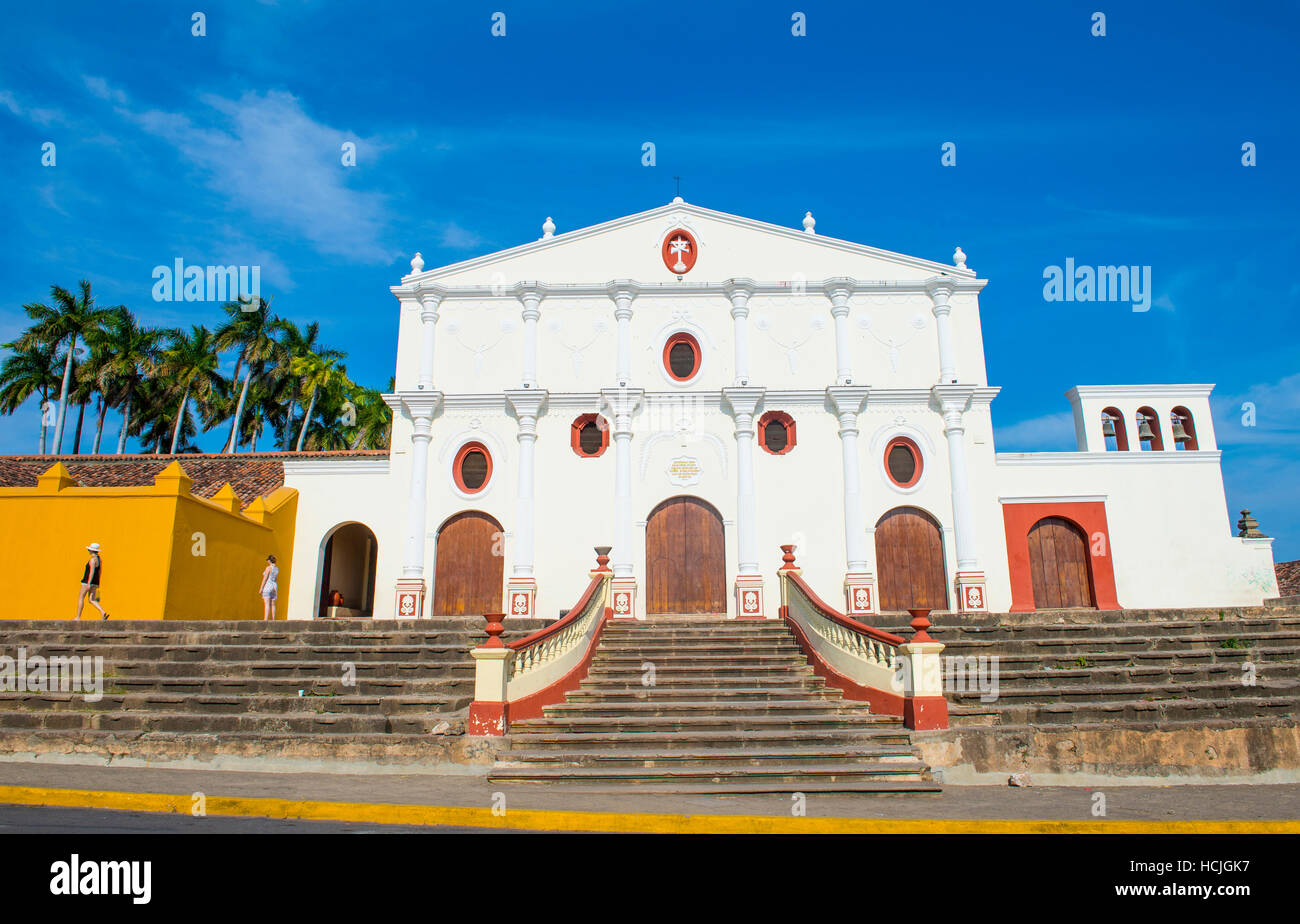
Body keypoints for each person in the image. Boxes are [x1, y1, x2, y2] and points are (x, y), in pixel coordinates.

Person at [76, 543, 109, 621]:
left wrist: (88, 583)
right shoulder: (99, 559)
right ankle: (102, 611)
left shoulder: (92, 560)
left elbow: (91, 572)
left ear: (91, 550)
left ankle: (78, 617)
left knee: (81, 598)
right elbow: (99, 571)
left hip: (87, 581)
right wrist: (98, 582)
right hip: (95, 582)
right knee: (91, 599)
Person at [259, 555, 279, 621]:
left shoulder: (268, 568)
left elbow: (265, 578)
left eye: (268, 560)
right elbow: (275, 579)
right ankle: (273, 619)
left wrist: (261, 588)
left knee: (267, 603)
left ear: (269, 560)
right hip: (274, 586)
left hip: (268, 586)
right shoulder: (277, 569)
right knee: (273, 604)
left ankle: (266, 619)